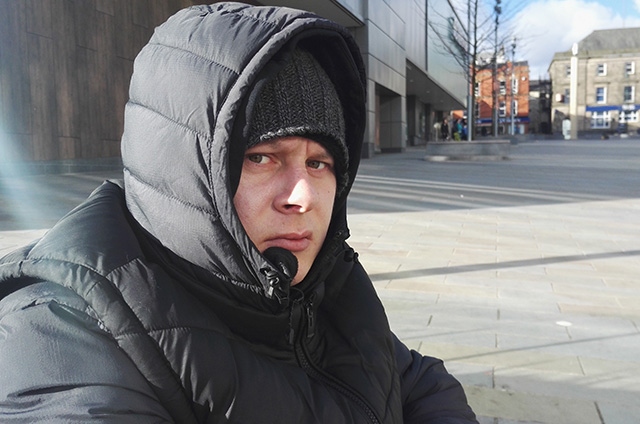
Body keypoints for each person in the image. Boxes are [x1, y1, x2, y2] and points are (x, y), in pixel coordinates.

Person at [0, 3, 478, 423]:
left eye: (319, 163)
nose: (303, 197)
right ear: (183, 167)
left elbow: (418, 382)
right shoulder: (58, 335)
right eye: (262, 158)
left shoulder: (326, 287)